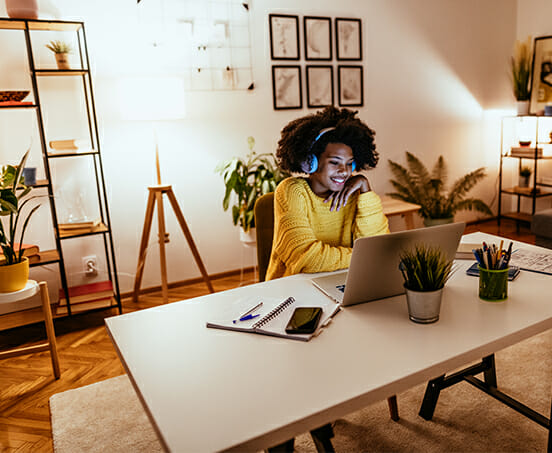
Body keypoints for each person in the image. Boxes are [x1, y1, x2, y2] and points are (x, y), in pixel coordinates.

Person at [266, 105, 389, 281]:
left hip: (343, 283)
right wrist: (363, 257)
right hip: (293, 290)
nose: (344, 171)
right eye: (335, 162)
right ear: (310, 163)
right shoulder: (293, 191)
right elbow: (306, 259)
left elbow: (379, 247)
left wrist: (365, 190)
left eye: (349, 163)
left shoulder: (355, 193)